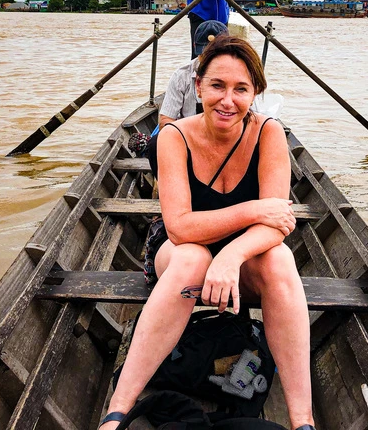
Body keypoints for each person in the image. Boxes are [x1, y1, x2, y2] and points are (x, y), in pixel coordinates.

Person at [100, 35, 315, 430]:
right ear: (198, 86)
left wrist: (231, 256)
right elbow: (180, 227)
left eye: (241, 89)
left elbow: (278, 226)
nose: (227, 100)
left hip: (244, 264)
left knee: (280, 259)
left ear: (256, 94)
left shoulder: (269, 134)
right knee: (192, 256)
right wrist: (253, 209)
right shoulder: (174, 136)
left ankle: (303, 421)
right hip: (180, 256)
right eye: (217, 86)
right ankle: (117, 411)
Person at [158, 19, 229, 130]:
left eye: (215, 56)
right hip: (188, 135)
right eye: (205, 55)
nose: (209, 61)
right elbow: (166, 119)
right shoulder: (181, 76)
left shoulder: (240, 76)